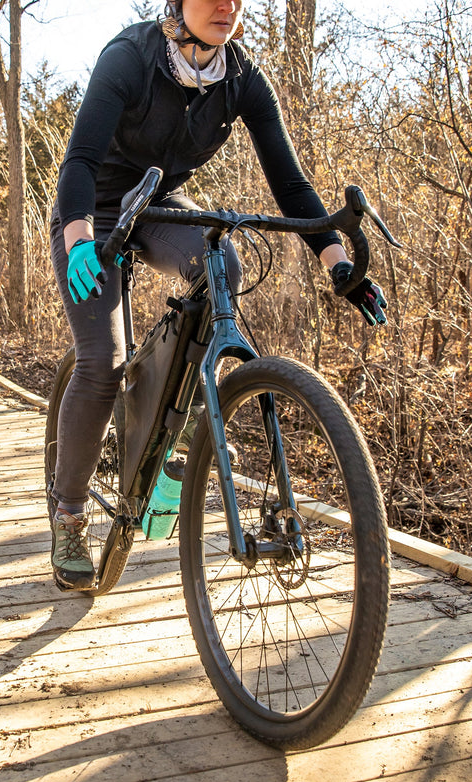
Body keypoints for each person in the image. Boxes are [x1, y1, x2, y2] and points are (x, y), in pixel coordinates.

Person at [47, 0, 387, 590]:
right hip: (94, 216)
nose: (226, 6)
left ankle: (182, 415)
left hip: (152, 209)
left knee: (219, 259)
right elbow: (78, 159)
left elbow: (291, 183)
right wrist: (78, 237)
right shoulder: (130, 60)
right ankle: (69, 514)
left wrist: (338, 263)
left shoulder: (242, 80)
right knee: (101, 361)